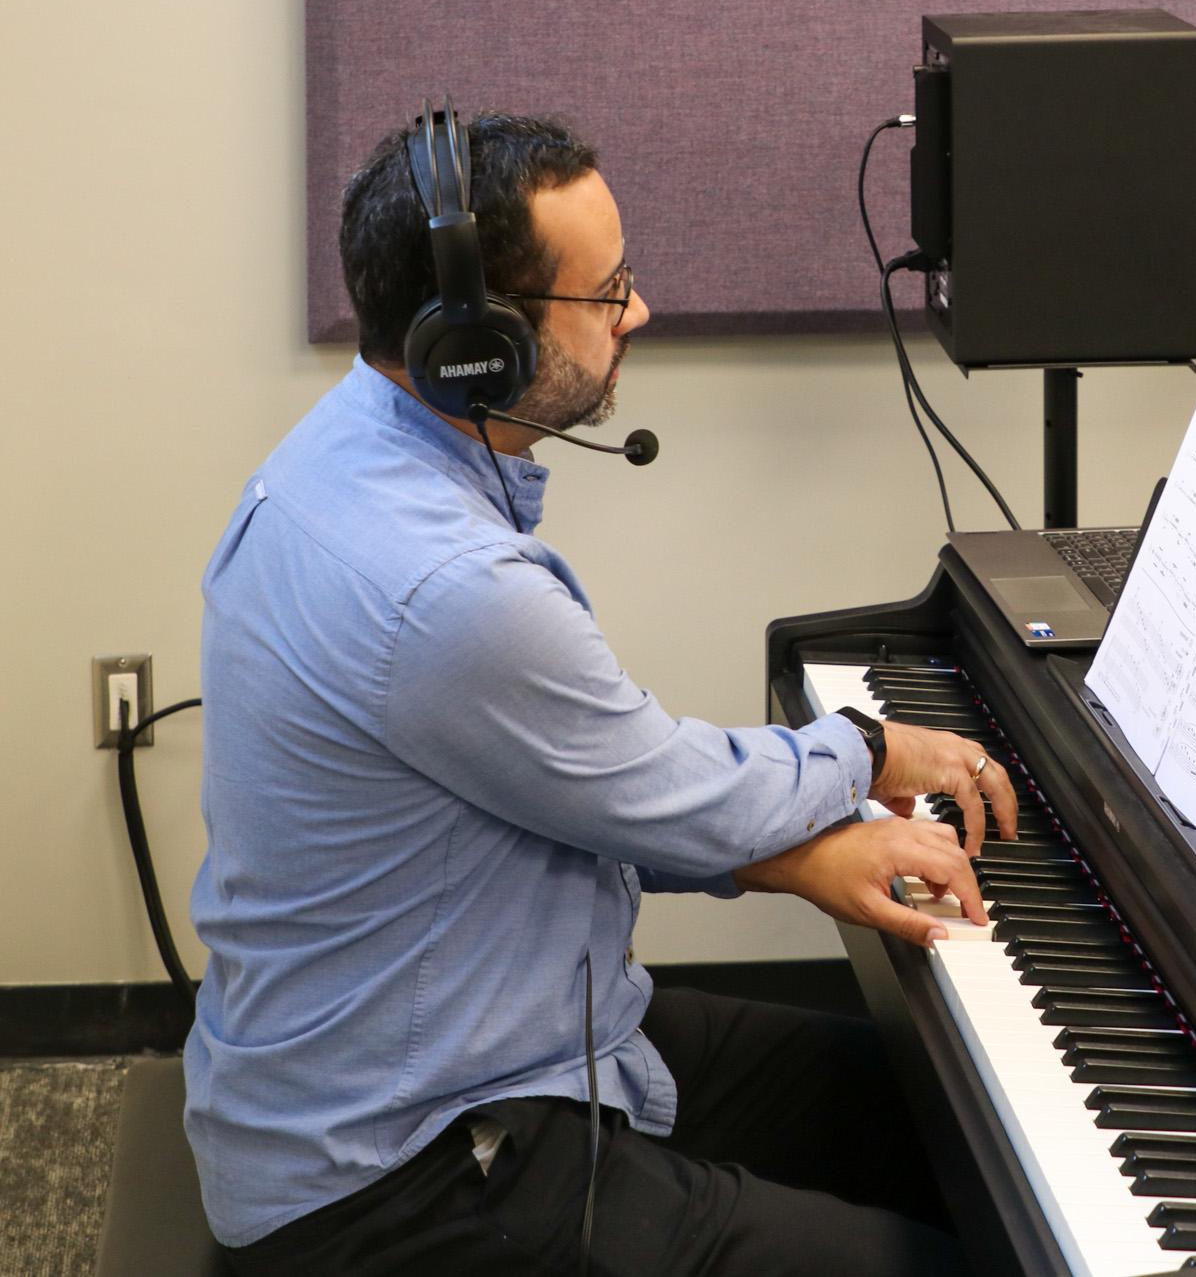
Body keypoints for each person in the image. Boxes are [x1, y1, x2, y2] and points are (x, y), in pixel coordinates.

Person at [184, 108, 1019, 1276]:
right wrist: (864, 750)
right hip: (401, 1173)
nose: (638, 315)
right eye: (608, 290)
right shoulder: (448, 588)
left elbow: (595, 783)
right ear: (477, 344)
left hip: (475, 1045)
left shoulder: (329, 460)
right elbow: (663, 791)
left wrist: (783, 850)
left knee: (947, 1124)